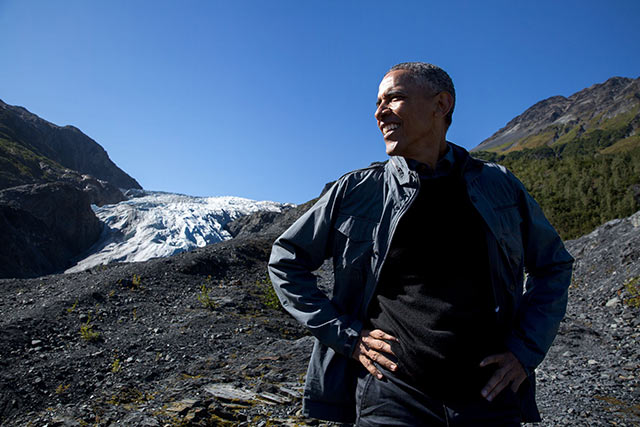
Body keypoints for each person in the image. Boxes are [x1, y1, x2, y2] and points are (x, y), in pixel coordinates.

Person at [268, 62, 573, 426]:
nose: (379, 112)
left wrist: (524, 352)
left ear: (441, 105)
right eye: (378, 102)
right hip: (390, 393)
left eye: (393, 98)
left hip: (488, 395)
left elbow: (553, 264)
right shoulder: (358, 190)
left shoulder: (499, 186)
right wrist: (348, 337)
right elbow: (286, 260)